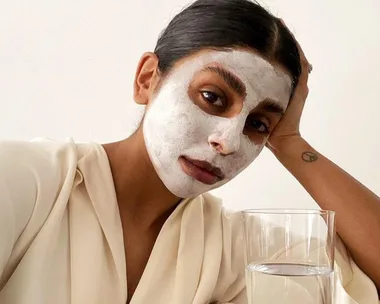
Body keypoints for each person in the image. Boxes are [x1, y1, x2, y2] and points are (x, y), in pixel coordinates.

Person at [0, 0, 379, 303]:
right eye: (213, 97)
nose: (228, 142)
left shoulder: (235, 249)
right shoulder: (27, 181)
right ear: (148, 79)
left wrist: (291, 143)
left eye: (258, 125)